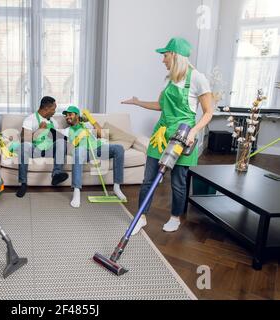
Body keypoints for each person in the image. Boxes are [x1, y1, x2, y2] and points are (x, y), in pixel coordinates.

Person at [122, 37, 213, 234]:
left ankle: (175, 217)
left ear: (175, 55)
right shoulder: (170, 78)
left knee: (178, 182)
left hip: (182, 136)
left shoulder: (197, 78)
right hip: (161, 134)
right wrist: (138, 102)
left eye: (165, 55)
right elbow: (161, 106)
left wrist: (194, 132)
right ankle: (141, 216)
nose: (162, 60)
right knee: (148, 178)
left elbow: (208, 112)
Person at [61, 106, 127, 208]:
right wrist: (78, 138)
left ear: (77, 115)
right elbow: (68, 147)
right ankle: (76, 191)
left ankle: (117, 187)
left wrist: (90, 118)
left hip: (97, 148)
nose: (67, 117)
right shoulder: (66, 130)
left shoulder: (86, 124)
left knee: (119, 148)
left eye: (70, 114)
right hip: (83, 151)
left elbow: (102, 134)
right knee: (77, 152)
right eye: (66, 115)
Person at [15, 96, 69, 198]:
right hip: (35, 149)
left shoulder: (54, 121)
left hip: (49, 149)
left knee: (62, 141)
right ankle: (23, 184)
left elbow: (59, 138)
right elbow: (24, 140)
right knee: (23, 146)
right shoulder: (30, 119)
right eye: (53, 109)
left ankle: (56, 174)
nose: (54, 111)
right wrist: (39, 130)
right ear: (46, 109)